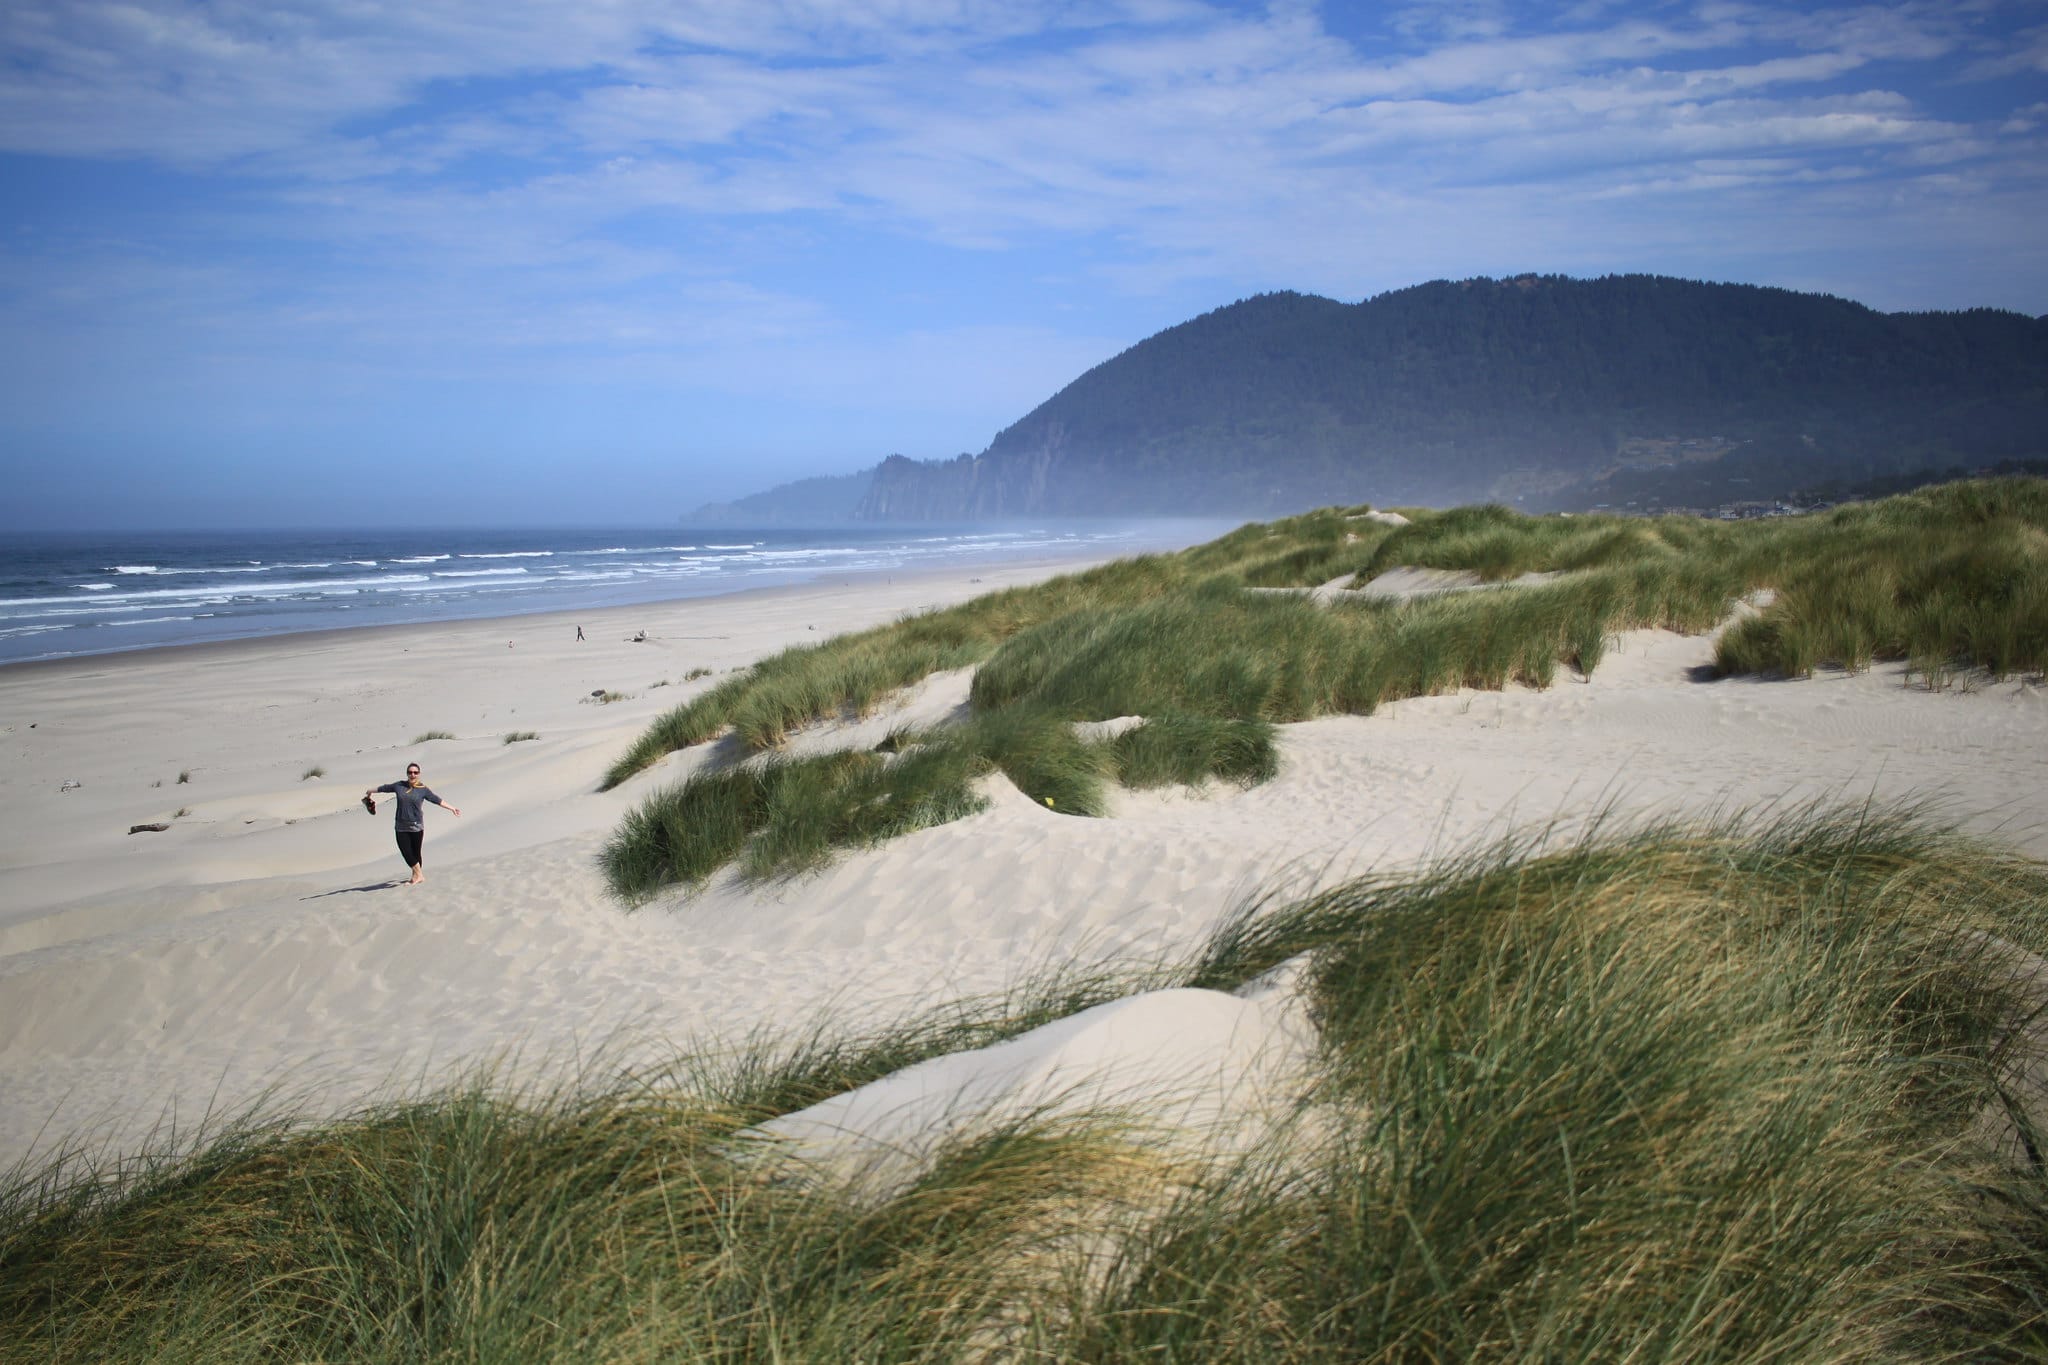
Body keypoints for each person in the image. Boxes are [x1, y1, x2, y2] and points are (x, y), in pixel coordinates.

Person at [365, 762, 461, 885]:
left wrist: (452, 808)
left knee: (416, 853)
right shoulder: (399, 786)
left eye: (415, 772)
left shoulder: (423, 789)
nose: (412, 774)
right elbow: (384, 788)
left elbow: (437, 800)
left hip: (416, 826)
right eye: (410, 772)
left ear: (419, 774)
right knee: (406, 852)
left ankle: (416, 877)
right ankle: (419, 875)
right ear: (407, 774)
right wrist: (370, 791)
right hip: (401, 826)